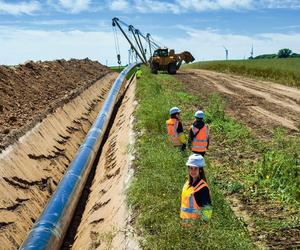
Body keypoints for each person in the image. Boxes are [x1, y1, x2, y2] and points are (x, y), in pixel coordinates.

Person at [180, 154, 212, 226]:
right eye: (191, 168)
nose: (193, 171)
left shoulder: (203, 188)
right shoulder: (187, 184)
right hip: (185, 224)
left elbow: (207, 209)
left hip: (196, 226)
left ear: (200, 170)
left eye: (195, 168)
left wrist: (203, 226)